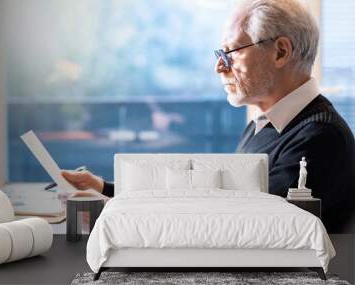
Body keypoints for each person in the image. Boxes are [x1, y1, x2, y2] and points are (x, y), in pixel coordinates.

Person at [63, 0, 355, 233]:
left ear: (280, 52)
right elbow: (219, 193)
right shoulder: (264, 125)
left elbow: (238, 224)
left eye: (232, 51)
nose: (219, 66)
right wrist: (105, 189)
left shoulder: (320, 139)